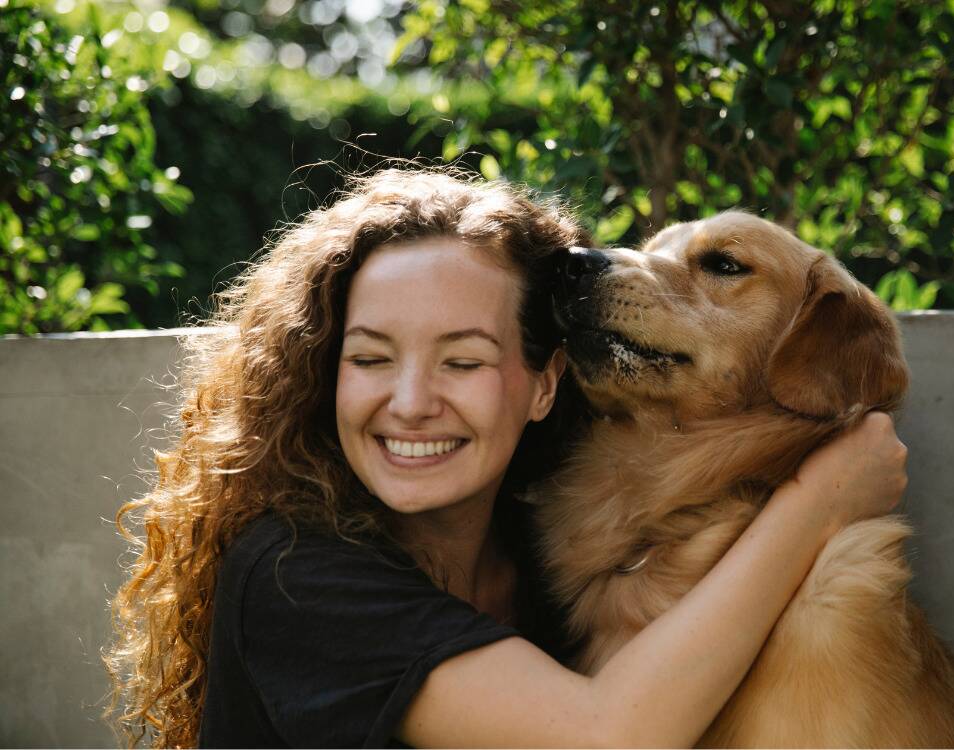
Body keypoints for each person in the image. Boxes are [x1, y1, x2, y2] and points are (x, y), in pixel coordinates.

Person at [105, 168, 908, 748]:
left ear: (545, 385)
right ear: (325, 371)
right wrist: (821, 500)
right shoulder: (295, 576)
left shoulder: (556, 555)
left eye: (463, 361)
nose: (412, 402)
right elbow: (605, 738)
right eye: (371, 358)